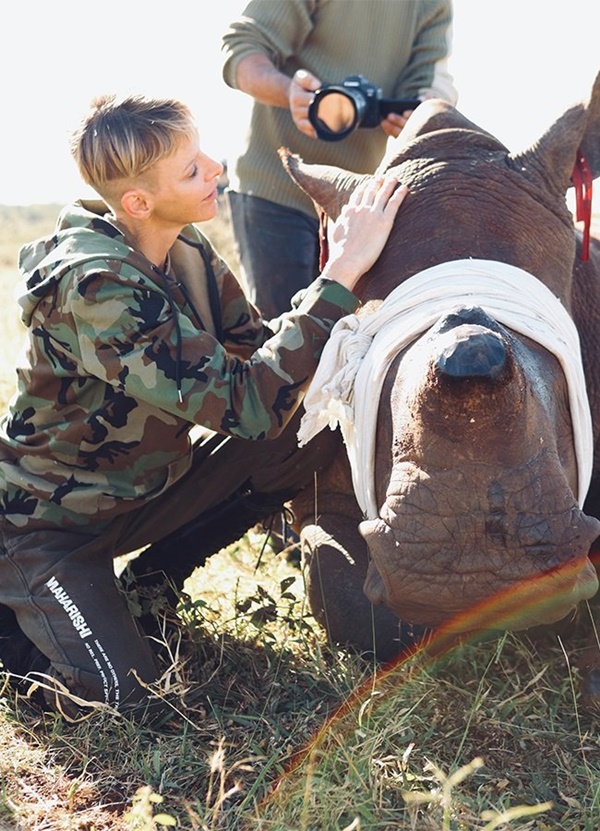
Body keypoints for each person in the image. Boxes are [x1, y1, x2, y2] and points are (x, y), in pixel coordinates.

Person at [0, 93, 407, 719]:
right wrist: (344, 272)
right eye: (192, 169)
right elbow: (248, 404)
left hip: (141, 494)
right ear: (139, 202)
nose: (216, 168)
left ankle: (148, 587)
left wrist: (365, 309)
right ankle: (22, 626)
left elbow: (262, 362)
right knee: (125, 701)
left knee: (308, 428)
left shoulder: (186, 248)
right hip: (45, 530)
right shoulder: (97, 287)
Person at [221, 0, 457, 319]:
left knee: (341, 338)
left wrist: (419, 108)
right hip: (274, 189)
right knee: (282, 338)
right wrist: (290, 93)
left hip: (353, 206)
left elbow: (430, 83)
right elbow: (241, 50)